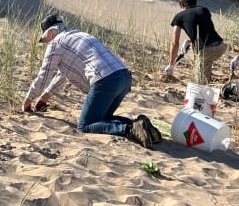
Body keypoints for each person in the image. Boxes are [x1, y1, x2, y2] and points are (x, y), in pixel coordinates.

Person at [22, 13, 161, 149]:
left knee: (85, 125)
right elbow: (62, 75)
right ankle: (140, 124)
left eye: (45, 38)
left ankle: (130, 128)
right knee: (102, 118)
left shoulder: (55, 44)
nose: (45, 42)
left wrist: (28, 102)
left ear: (51, 32)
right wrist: (43, 99)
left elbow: (44, 75)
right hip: (124, 77)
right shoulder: (79, 36)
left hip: (105, 80)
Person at [164, 0, 227, 84]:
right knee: (205, 67)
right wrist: (189, 41)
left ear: (182, 5)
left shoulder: (179, 16)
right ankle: (208, 80)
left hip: (206, 51)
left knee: (199, 83)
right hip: (221, 46)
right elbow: (206, 30)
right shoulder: (204, 10)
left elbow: (174, 43)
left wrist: (171, 65)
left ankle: (229, 90)